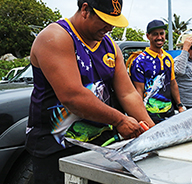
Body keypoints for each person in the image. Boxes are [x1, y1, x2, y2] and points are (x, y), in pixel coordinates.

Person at [25, 0, 155, 183]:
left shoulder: (110, 46)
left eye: (114, 21)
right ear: (85, 10)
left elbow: (128, 93)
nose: (110, 27)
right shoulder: (56, 37)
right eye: (105, 20)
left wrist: (151, 132)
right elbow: (73, 96)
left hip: (101, 147)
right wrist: (120, 119)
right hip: (57, 147)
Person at [129, 19, 185, 124]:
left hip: (169, 114)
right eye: (155, 34)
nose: (159, 37)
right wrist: (141, 117)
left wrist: (180, 105)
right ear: (147, 36)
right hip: (149, 116)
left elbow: (173, 83)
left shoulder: (168, 58)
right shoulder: (139, 61)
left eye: (161, 33)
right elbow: (139, 91)